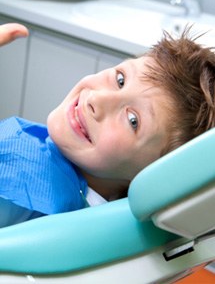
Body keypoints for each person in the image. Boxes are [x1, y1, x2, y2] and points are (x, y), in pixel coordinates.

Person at [0, 23, 214, 227]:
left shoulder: (26, 201)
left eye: (133, 120)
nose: (97, 100)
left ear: (151, 175)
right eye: (120, 80)